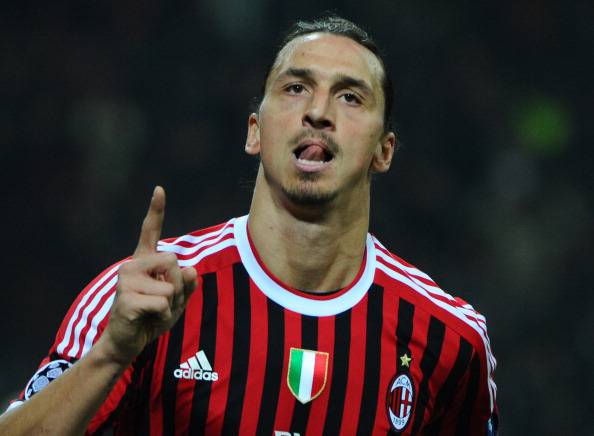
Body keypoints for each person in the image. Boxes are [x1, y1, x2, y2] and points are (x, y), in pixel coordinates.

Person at [0, 16, 498, 435]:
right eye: (296, 88)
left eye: (350, 97)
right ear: (254, 132)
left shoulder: (449, 338)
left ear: (384, 151)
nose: (318, 112)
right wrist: (112, 353)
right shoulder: (143, 293)